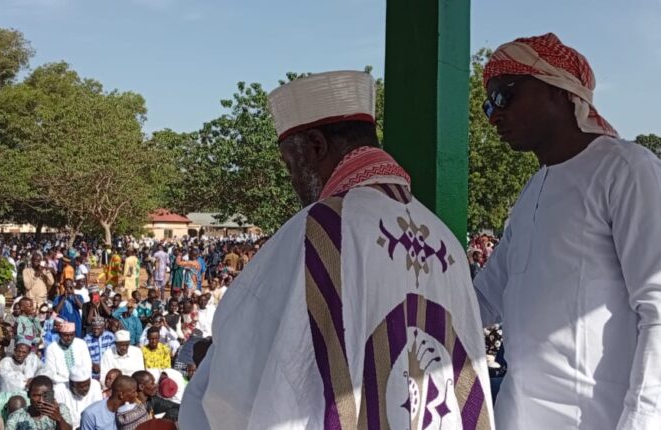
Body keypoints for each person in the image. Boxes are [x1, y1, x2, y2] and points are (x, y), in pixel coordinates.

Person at [180, 71, 493, 429]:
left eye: (290, 165)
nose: (294, 180)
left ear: (316, 145)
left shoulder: (321, 228)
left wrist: (209, 370)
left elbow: (239, 375)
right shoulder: (444, 238)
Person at [472, 33, 661, 430]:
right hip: (517, 417)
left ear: (558, 90)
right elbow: (483, 298)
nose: (494, 116)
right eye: (489, 104)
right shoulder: (533, 191)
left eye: (504, 96)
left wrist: (639, 423)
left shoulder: (627, 169)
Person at [5, 375, 73, 430]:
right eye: (36, 395)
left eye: (45, 396)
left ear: (52, 395)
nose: (41, 400)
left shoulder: (61, 409)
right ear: (28, 395)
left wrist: (59, 419)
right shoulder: (17, 416)